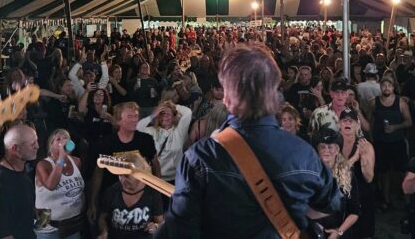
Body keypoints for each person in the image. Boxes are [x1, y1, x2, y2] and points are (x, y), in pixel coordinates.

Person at [155, 43, 341, 238]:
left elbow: (180, 231)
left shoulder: (200, 157)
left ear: (227, 97)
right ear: (275, 95)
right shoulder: (304, 153)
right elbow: (331, 204)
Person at [87, 102, 158, 225]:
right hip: (113, 200)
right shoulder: (106, 143)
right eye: (129, 117)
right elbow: (98, 173)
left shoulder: (146, 140)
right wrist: (92, 202)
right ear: (118, 120)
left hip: (140, 199)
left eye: (136, 116)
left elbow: (155, 165)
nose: (134, 120)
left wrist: (156, 194)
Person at [0, 124, 39, 239]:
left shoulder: (21, 168)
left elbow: (15, 205)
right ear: (15, 149)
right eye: (32, 144)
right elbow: (1, 233)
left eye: (36, 141)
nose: (38, 146)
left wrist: (34, 211)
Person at [96, 152, 164, 239]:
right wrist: (104, 231)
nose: (122, 180)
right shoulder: (112, 191)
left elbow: (160, 222)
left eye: (127, 176)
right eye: (120, 175)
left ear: (140, 174)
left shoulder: (152, 192)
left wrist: (155, 226)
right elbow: (102, 218)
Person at [370, 75, 412, 211]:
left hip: (397, 142)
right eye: (384, 85)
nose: (386, 88)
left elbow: (409, 122)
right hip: (380, 143)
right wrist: (371, 138)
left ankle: (406, 199)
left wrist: (395, 127)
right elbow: (369, 122)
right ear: (380, 86)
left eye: (389, 85)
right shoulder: (373, 102)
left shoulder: (401, 103)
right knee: (384, 173)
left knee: (402, 171)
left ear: (393, 87)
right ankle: (386, 200)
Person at [35, 129, 85, 239]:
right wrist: (61, 157)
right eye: (58, 139)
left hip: (72, 225)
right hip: (48, 225)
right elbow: (51, 185)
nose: (63, 140)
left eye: (66, 138)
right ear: (50, 146)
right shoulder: (43, 164)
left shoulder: (76, 161)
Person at [312, 128, 360, 239]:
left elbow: (355, 212)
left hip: (340, 232)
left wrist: (338, 232)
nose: (326, 150)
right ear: (317, 150)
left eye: (330, 147)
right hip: (313, 232)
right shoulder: (310, 174)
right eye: (322, 147)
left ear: (337, 149)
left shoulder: (347, 175)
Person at [337, 109, 375, 238]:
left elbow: (369, 178)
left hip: (361, 195)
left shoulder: (365, 145)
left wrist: (364, 159)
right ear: (339, 124)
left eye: (351, 120)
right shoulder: (333, 145)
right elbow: (334, 173)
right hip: (341, 198)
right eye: (344, 120)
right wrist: (354, 158)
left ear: (357, 124)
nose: (348, 123)